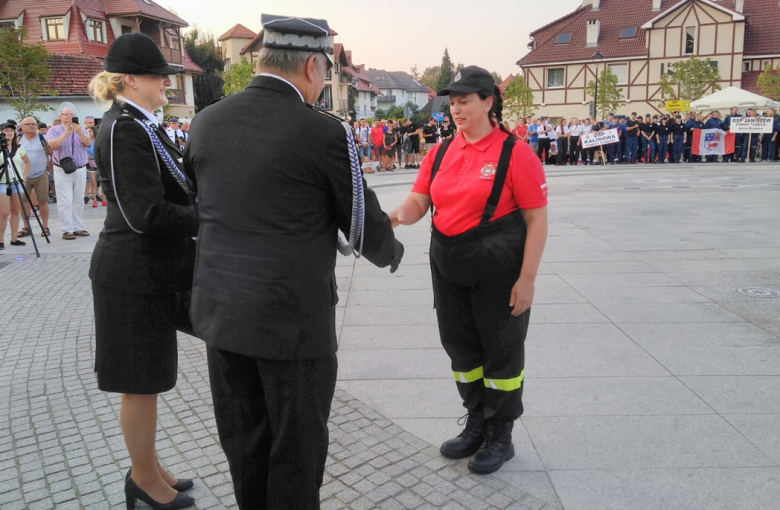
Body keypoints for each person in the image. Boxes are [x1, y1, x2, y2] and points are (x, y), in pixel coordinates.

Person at [183, 14, 403, 509]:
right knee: (297, 452)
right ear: (310, 65)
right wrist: (393, 252)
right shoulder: (323, 131)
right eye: (326, 71)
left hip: (221, 318)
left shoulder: (206, 120)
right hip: (292, 325)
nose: (324, 81)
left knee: (244, 442)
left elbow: (198, 202)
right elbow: (361, 223)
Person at [389, 65, 548, 475]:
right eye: (452, 102)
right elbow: (420, 201)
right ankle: (476, 420)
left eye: (464, 101)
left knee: (502, 350)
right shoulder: (440, 152)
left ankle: (501, 433)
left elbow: (536, 220)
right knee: (461, 349)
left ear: (488, 101)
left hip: (499, 266)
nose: (456, 109)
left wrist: (527, 279)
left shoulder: (516, 153)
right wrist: (397, 216)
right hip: (449, 264)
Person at [87, 32, 198, 510]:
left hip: (147, 271)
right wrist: (209, 217)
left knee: (150, 379)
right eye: (159, 77)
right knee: (140, 383)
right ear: (130, 79)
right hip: (131, 274)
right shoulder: (125, 128)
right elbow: (143, 214)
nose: (166, 86)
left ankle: (148, 468)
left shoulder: (138, 122)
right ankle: (143, 481)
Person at [47, 105, 91, 240]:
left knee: (79, 200)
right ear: (60, 117)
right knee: (65, 200)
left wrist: (79, 133)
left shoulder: (82, 129)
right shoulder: (54, 130)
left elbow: (88, 143)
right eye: (66, 114)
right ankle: (67, 229)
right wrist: (66, 133)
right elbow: (53, 145)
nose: (69, 117)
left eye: (71, 114)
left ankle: (77, 227)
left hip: (80, 168)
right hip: (62, 169)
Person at [17, 117, 52, 238]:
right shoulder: (18, 139)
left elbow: (51, 154)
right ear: (22, 126)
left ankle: (45, 227)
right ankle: (26, 227)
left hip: (41, 174)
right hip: (23, 176)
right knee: (24, 202)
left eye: (33, 124)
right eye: (28, 124)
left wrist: (48, 170)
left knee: (43, 201)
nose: (31, 126)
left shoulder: (43, 138)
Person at [0, 121, 31, 250]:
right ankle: (1, 239)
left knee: (15, 210)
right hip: (1, 182)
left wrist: (24, 176)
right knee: (3, 212)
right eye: (6, 130)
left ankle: (14, 238)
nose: (9, 133)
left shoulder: (19, 147)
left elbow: (27, 162)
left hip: (16, 182)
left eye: (11, 130)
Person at [85, 125, 105, 207]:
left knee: (102, 181)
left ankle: (104, 199)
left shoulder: (98, 141)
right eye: (87, 131)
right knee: (93, 182)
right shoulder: (85, 141)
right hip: (90, 163)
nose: (89, 133)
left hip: (99, 162)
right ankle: (94, 200)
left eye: (90, 131)